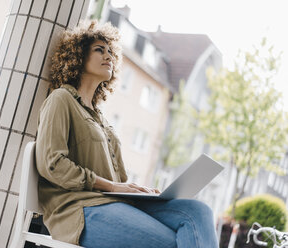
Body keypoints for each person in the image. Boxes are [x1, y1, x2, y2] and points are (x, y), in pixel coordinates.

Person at [35, 20, 218, 248]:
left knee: (198, 212)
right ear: (78, 57)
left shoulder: (102, 120)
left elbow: (116, 181)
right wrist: (112, 187)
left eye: (111, 52)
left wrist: (139, 191)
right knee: (173, 243)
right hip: (79, 208)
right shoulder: (61, 100)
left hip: (114, 202)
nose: (108, 56)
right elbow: (52, 164)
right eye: (99, 50)